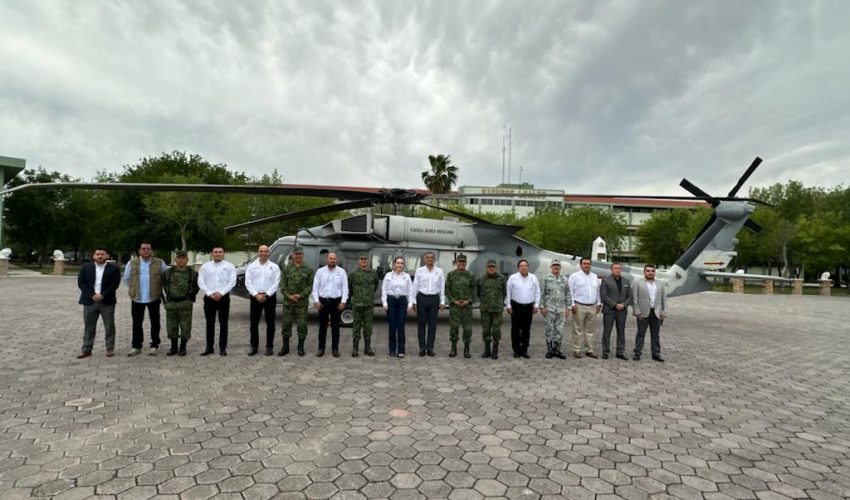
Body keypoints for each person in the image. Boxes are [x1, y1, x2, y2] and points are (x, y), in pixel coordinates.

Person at [123, 241, 168, 356]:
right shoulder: (132, 263)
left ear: (152, 250)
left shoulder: (159, 263)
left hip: (153, 297)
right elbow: (127, 279)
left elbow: (165, 278)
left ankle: (154, 345)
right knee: (137, 323)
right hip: (137, 298)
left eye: (148, 248)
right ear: (139, 251)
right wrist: (134, 289)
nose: (146, 251)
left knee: (155, 322)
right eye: (143, 249)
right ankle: (137, 346)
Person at [77, 247, 121, 358]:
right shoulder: (85, 268)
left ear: (107, 256)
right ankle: (86, 349)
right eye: (97, 254)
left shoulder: (114, 268)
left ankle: (110, 348)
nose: (100, 256)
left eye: (102, 254)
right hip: (89, 301)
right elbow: (81, 283)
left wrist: (102, 295)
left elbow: (114, 284)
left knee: (109, 326)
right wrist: (92, 295)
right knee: (89, 326)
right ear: (93, 256)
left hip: (107, 301)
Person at [197, 246, 236, 356]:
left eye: (220, 252)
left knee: (223, 324)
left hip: (223, 298)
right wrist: (210, 293)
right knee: (210, 324)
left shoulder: (229, 266)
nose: (218, 254)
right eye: (216, 252)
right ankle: (209, 348)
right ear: (212, 253)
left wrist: (221, 293)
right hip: (209, 298)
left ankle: (222, 348)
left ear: (223, 254)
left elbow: (232, 282)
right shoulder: (205, 266)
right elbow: (201, 281)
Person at [245, 244, 281, 356]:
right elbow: (248, 282)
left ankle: (269, 347)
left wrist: (267, 294)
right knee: (254, 323)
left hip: (269, 297)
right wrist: (256, 295)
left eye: (265, 251)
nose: (263, 253)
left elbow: (277, 282)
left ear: (268, 253)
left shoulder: (274, 267)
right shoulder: (251, 266)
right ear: (258, 252)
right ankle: (254, 346)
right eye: (261, 251)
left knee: (270, 323)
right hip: (255, 297)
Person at [161, 250, 199, 356]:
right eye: (179, 258)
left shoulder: (193, 273)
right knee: (171, 327)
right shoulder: (168, 272)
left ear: (187, 260)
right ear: (175, 259)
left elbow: (197, 286)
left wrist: (192, 296)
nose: (181, 260)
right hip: (171, 304)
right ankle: (173, 347)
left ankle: (183, 347)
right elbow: (163, 284)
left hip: (185, 304)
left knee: (185, 327)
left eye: (183, 258)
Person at [311, 252, 348, 357]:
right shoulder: (320, 272)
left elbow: (345, 288)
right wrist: (316, 301)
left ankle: (335, 349)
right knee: (322, 327)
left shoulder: (341, 272)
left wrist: (343, 301)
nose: (332, 260)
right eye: (330, 258)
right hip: (323, 302)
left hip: (336, 302)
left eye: (334, 258)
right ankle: (321, 348)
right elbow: (315, 288)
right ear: (327, 259)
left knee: (335, 327)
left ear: (336, 260)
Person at [279, 246, 313, 356]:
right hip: (288, 303)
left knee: (302, 325)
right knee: (286, 325)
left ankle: (300, 347)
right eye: (296, 254)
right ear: (293, 255)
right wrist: (289, 296)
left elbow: (310, 286)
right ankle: (285, 347)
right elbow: (282, 285)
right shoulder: (286, 269)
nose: (298, 256)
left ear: (303, 255)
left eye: (300, 254)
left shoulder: (308, 269)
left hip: (301, 304)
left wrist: (300, 295)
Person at [505, 259, 540, 358]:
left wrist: (536, 305)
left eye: (525, 265)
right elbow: (508, 292)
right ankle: (516, 350)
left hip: (528, 307)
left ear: (528, 267)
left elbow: (537, 291)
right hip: (516, 306)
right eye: (521, 265)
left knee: (526, 330)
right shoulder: (513, 278)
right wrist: (508, 305)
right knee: (515, 329)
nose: (524, 267)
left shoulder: (533, 277)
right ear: (518, 267)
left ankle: (524, 350)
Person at [632, 264, 667, 362]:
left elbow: (664, 299)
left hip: (656, 313)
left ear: (654, 272)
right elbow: (634, 298)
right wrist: (637, 312)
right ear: (644, 272)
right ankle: (637, 353)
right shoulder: (638, 283)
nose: (650, 272)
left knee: (655, 334)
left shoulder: (660, 284)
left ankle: (656, 354)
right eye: (648, 271)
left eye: (652, 271)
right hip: (643, 313)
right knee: (640, 334)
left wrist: (663, 312)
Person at [413, 251, 445, 357]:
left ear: (434, 259)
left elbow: (442, 287)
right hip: (422, 298)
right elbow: (415, 286)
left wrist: (442, 301)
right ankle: (422, 348)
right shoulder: (419, 271)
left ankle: (430, 347)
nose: (430, 259)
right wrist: (413, 301)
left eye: (432, 257)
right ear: (424, 259)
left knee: (432, 325)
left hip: (434, 299)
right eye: (428, 257)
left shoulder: (439, 271)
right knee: (421, 324)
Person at [569, 257, 601, 359]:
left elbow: (598, 291)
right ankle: (577, 350)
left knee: (590, 330)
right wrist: (572, 304)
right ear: (580, 264)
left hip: (592, 306)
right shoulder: (574, 276)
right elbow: (570, 292)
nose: (587, 265)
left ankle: (589, 350)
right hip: (579, 306)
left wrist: (599, 303)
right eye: (585, 263)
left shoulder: (594, 276)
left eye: (588, 264)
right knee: (577, 329)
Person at [382, 256, 414, 358]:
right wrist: (384, 303)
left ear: (403, 265)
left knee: (400, 326)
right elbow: (384, 290)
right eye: (398, 263)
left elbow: (410, 291)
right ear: (394, 264)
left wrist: (410, 304)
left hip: (402, 301)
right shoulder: (388, 275)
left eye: (401, 263)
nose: (399, 265)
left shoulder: (407, 276)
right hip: (391, 301)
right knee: (392, 326)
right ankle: (392, 350)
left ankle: (401, 350)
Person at [348, 252, 379, 357]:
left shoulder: (373, 273)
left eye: (365, 259)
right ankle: (355, 349)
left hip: (368, 305)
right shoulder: (353, 273)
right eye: (361, 259)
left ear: (368, 261)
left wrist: (368, 296)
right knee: (356, 326)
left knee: (368, 327)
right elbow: (350, 288)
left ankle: (367, 348)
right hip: (357, 304)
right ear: (358, 261)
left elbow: (375, 286)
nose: (363, 261)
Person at [445, 254, 476, 358]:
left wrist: (468, 301)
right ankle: (453, 349)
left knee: (467, 329)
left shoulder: (471, 275)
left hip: (467, 307)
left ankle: (466, 349)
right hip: (455, 307)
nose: (461, 263)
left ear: (466, 263)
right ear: (456, 263)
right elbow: (447, 290)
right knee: (454, 329)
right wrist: (454, 301)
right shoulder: (451, 275)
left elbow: (474, 291)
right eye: (460, 261)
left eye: (463, 262)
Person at [600, 262, 632, 360]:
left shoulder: (626, 281)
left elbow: (630, 296)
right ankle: (605, 351)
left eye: (619, 268)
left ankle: (620, 352)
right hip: (609, 310)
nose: (617, 270)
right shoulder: (606, 280)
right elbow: (604, 295)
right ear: (611, 269)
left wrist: (624, 304)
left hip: (622, 311)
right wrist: (614, 304)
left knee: (621, 331)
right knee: (607, 331)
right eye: (615, 268)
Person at [540, 259, 570, 360]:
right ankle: (550, 350)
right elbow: (542, 294)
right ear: (551, 267)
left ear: (560, 267)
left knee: (559, 330)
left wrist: (568, 308)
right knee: (549, 330)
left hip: (561, 309)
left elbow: (568, 294)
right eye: (554, 265)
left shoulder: (564, 279)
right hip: (549, 309)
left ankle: (557, 349)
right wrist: (542, 307)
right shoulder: (545, 278)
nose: (556, 267)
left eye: (558, 265)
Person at [477, 259, 506, 359]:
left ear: (496, 268)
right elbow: (478, 293)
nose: (491, 268)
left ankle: (495, 350)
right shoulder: (481, 279)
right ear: (486, 268)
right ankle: (487, 350)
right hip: (485, 309)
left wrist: (498, 303)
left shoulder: (501, 279)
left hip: (497, 310)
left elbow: (505, 293)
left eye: (493, 267)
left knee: (496, 331)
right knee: (486, 330)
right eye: (489, 267)